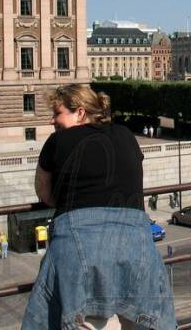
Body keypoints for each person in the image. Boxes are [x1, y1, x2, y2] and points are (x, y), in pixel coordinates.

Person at [22, 84, 176, 330]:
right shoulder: (126, 135)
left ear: (80, 112)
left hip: (79, 246)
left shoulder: (57, 140)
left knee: (79, 320)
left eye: (57, 112)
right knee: (143, 320)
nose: (52, 120)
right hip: (136, 245)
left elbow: (45, 194)